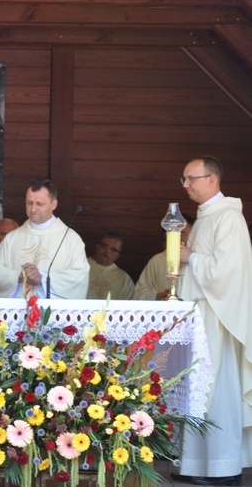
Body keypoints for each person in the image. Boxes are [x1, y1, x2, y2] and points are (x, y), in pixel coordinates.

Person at [170, 156, 252, 486]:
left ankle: (221, 467)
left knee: (216, 393)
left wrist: (191, 257)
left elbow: (226, 273)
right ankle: (195, 464)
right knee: (197, 390)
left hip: (217, 319)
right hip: (199, 316)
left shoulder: (228, 219)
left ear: (212, 180)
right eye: (184, 179)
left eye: (191, 178)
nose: (186, 184)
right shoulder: (206, 217)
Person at [0, 179, 89, 299]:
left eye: (40, 204)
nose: (33, 209)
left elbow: (79, 277)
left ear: (54, 204)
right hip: (16, 312)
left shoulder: (70, 239)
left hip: (51, 314)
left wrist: (43, 279)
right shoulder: (12, 238)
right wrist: (19, 276)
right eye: (29, 203)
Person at [133, 215, 194, 300]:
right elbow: (139, 291)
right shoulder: (157, 260)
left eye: (182, 233)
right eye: (173, 233)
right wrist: (159, 295)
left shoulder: (196, 260)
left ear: (192, 235)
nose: (176, 237)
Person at [86, 231, 135, 300]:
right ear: (97, 247)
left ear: (117, 256)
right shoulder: (80, 267)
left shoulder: (124, 279)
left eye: (113, 249)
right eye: (104, 246)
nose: (107, 250)